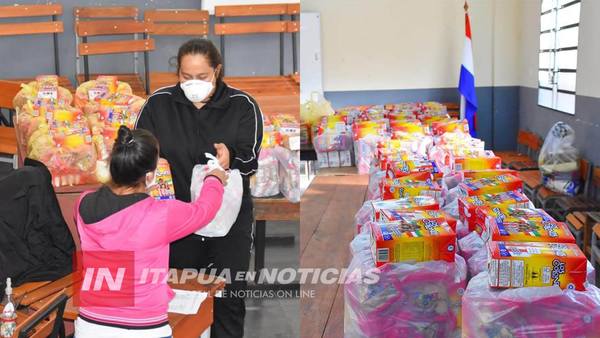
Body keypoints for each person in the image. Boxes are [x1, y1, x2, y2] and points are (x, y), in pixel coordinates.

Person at [135, 38, 263, 337]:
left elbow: (250, 159)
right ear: (178, 73)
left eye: (202, 77)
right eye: (185, 77)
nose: (193, 83)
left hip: (227, 221)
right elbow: (137, 150)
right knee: (179, 298)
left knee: (228, 298)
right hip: (176, 222)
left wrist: (231, 159)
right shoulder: (158, 104)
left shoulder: (241, 105)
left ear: (217, 71)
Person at [74, 126, 228, 338]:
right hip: (143, 328)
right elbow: (204, 210)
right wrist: (216, 177)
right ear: (149, 175)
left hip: (90, 325)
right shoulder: (160, 214)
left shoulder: (83, 204)